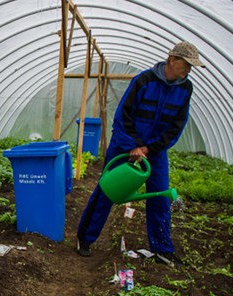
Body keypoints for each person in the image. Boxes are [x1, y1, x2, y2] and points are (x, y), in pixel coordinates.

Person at [76, 41, 206, 267]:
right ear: (172, 60)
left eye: (191, 67)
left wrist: (149, 148)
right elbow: (123, 116)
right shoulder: (143, 81)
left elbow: (176, 126)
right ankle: (85, 239)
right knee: (108, 189)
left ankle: (162, 249)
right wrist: (133, 146)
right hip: (124, 144)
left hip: (154, 151)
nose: (188, 70)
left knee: (160, 194)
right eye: (186, 64)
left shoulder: (185, 88)